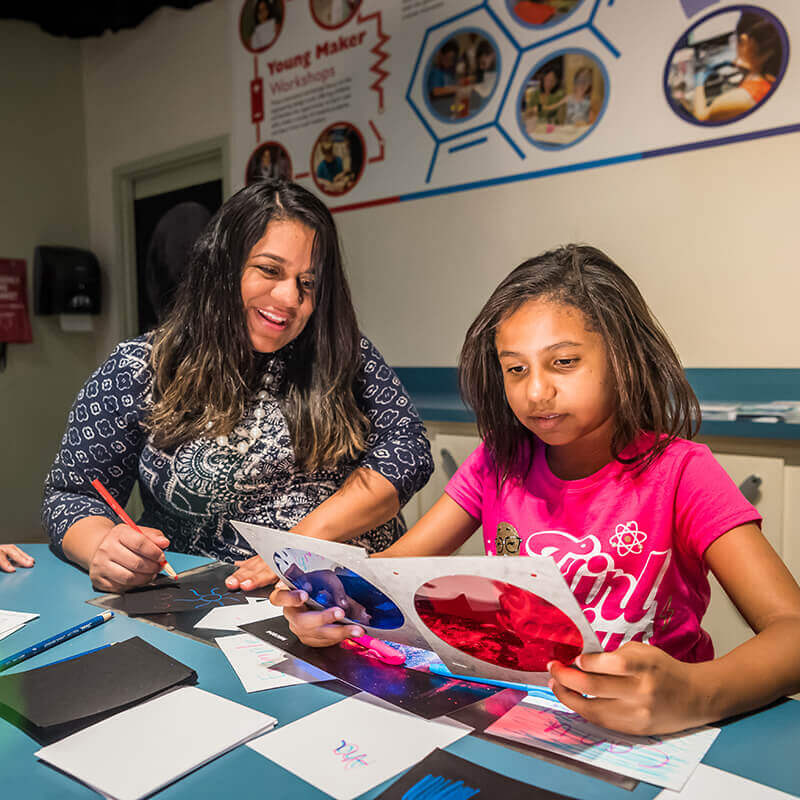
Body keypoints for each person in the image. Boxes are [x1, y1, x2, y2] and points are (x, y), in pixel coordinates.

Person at [273, 244, 800, 736]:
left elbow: (791, 630)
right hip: (523, 719)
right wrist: (327, 607)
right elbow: (382, 577)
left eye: (564, 362)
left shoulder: (682, 472)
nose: (536, 391)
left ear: (623, 357)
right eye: (515, 369)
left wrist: (695, 693)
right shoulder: (496, 464)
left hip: (656, 738)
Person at [42, 180, 433, 594]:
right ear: (223, 266)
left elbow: (407, 452)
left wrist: (293, 547)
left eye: (308, 283)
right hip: (220, 605)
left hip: (353, 602)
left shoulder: (341, 351)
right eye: (270, 270)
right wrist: (102, 546)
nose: (289, 297)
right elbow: (71, 495)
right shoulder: (140, 368)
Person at [691, 10, 782, 123]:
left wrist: (698, 84)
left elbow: (701, 117)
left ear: (745, 41)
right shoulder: (775, 73)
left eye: (736, 41)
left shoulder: (741, 99)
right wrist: (750, 64)